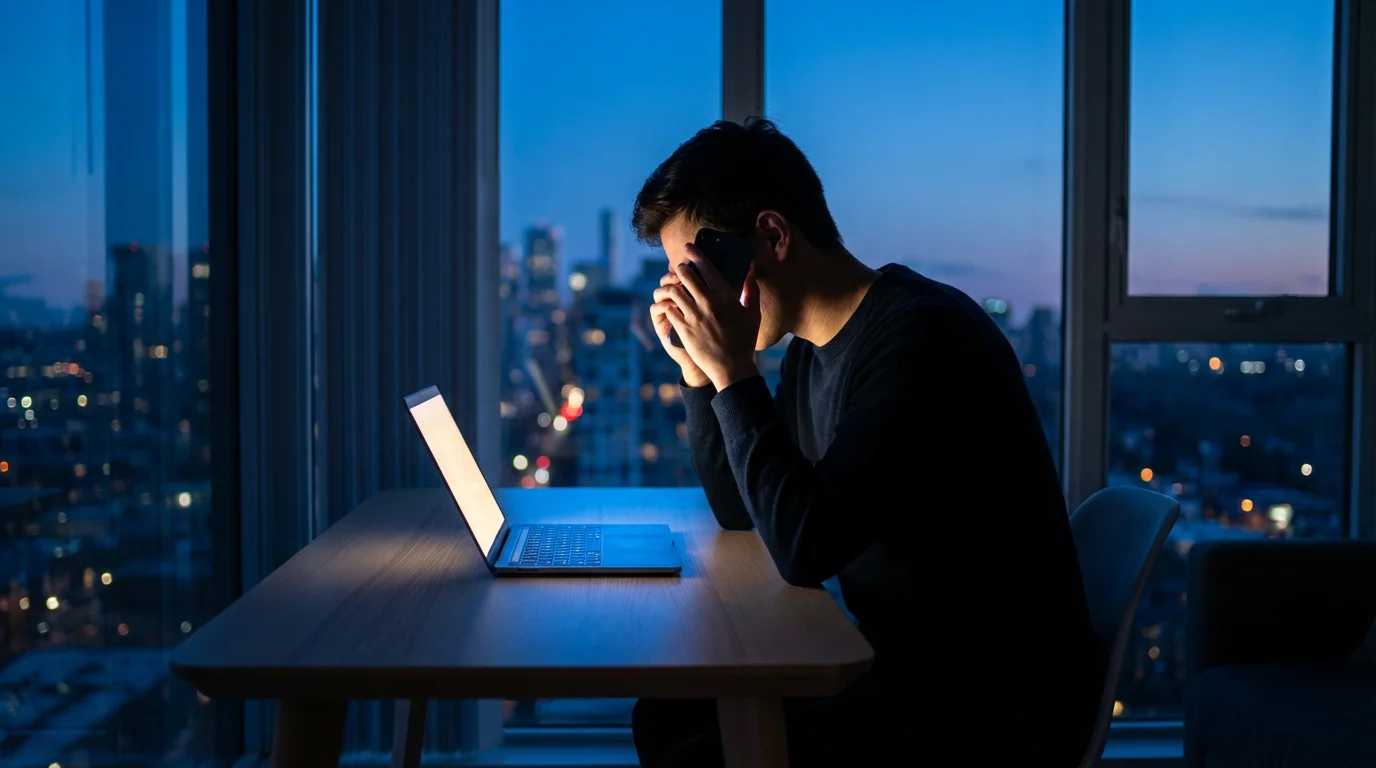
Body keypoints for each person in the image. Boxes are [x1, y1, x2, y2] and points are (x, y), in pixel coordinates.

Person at [630, 118, 1105, 767]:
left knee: (695, 749)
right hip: (905, 670)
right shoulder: (812, 351)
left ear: (770, 236)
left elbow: (804, 548)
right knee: (666, 712)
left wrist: (735, 370)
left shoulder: (922, 338)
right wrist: (699, 369)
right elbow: (743, 510)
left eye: (698, 272)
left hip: (987, 705)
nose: (692, 297)